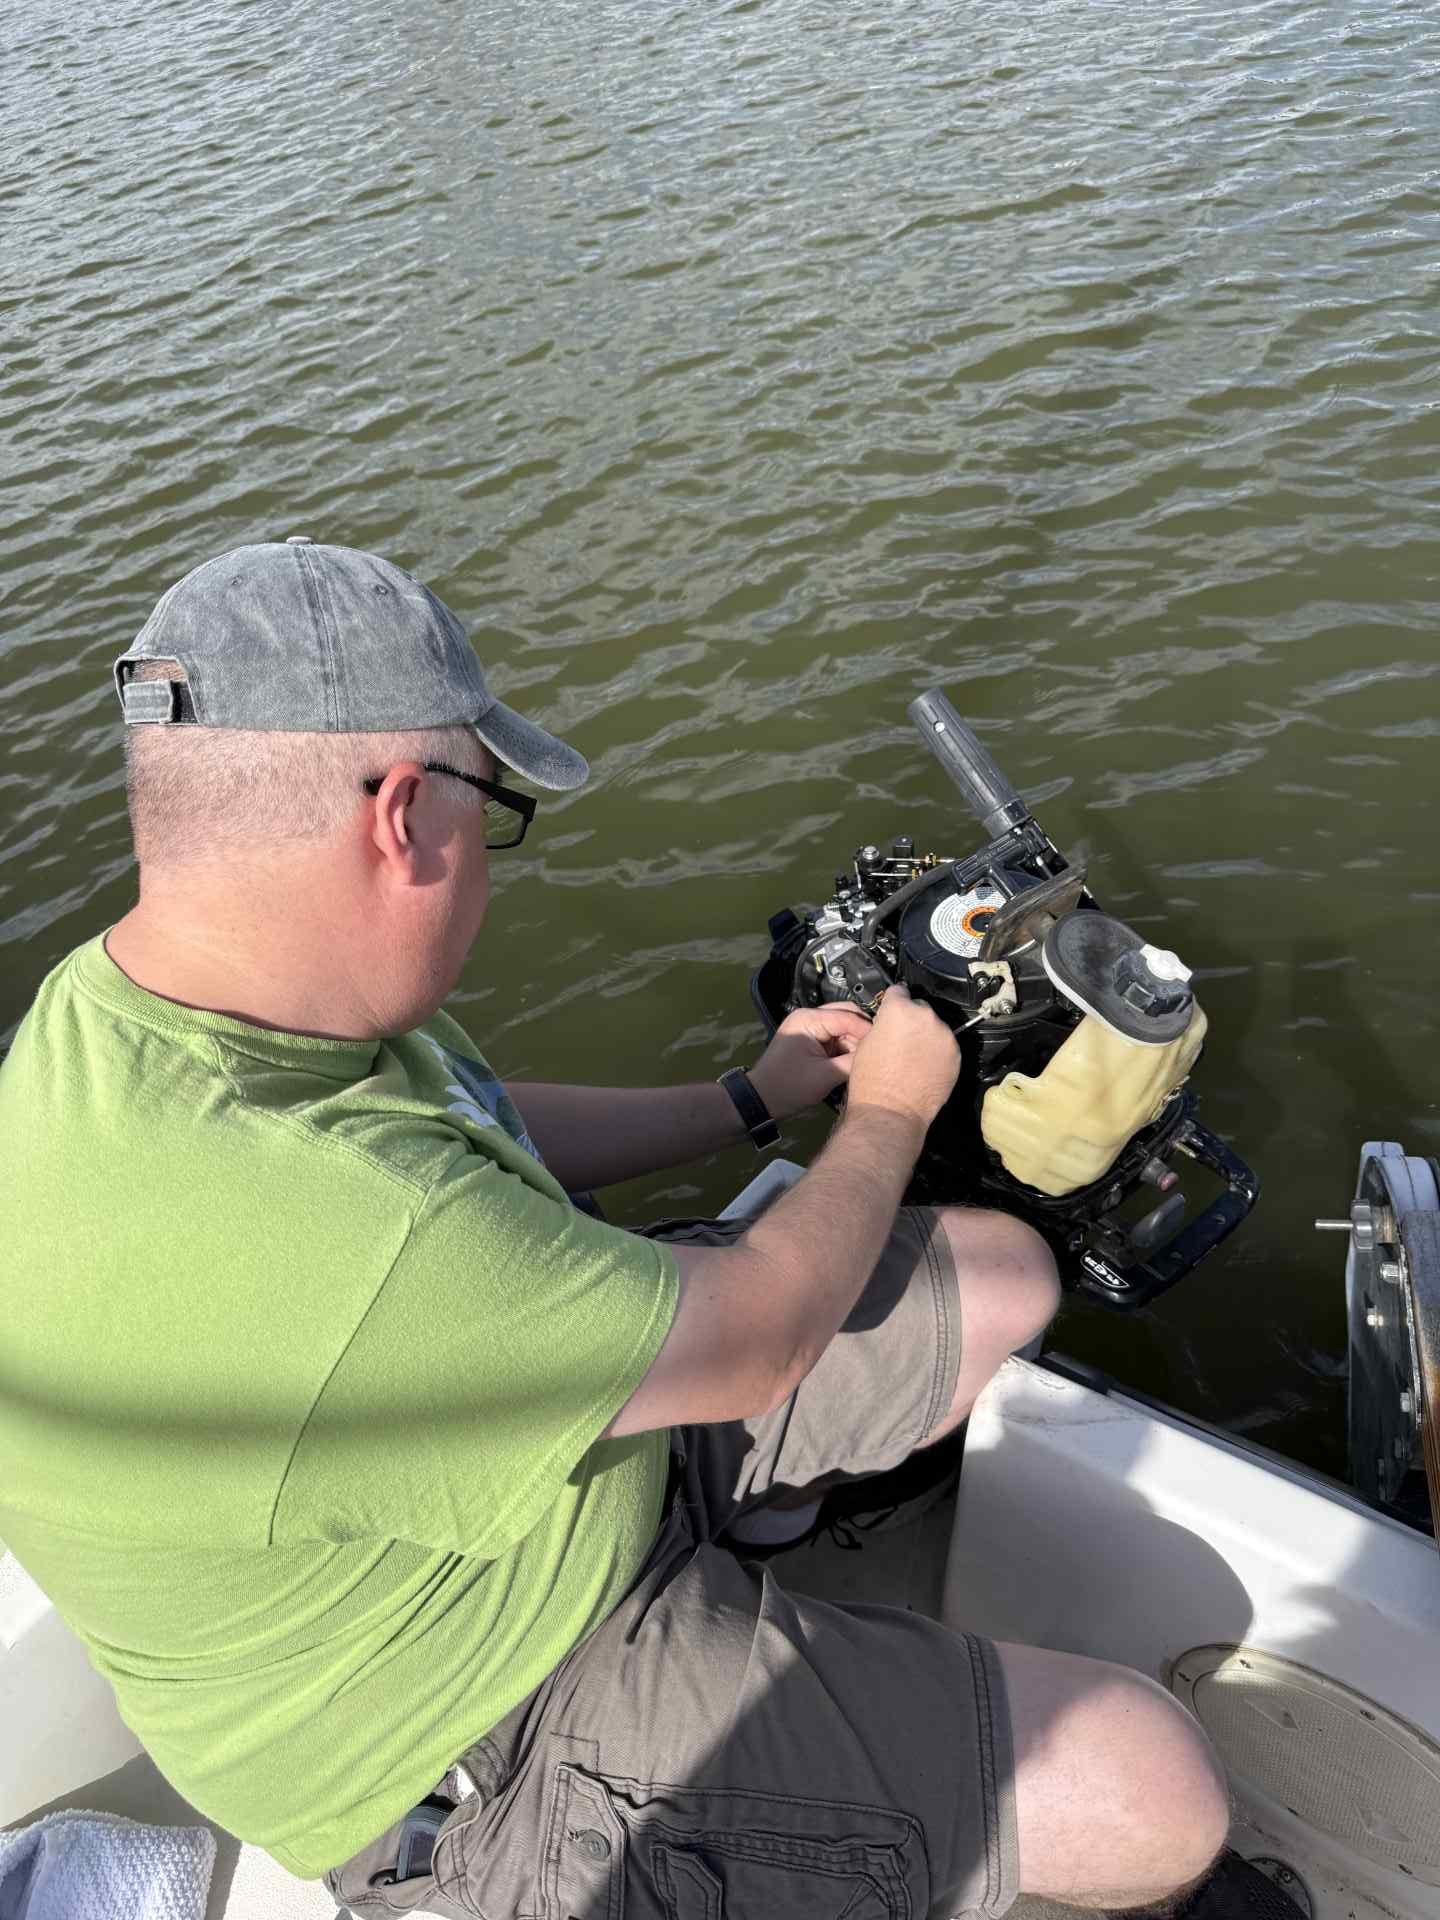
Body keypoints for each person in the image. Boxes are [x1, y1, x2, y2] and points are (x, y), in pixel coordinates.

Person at [0, 539, 1229, 1918]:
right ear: (403, 816)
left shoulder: (130, 1015)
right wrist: (888, 1109)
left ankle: (752, 1559)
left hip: (534, 1493)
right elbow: (760, 1340)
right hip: (486, 1738)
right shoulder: (321, 1227)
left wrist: (751, 1100)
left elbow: (473, 1114)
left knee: (995, 1278)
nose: (490, 860)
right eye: (493, 814)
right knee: (1155, 1787)